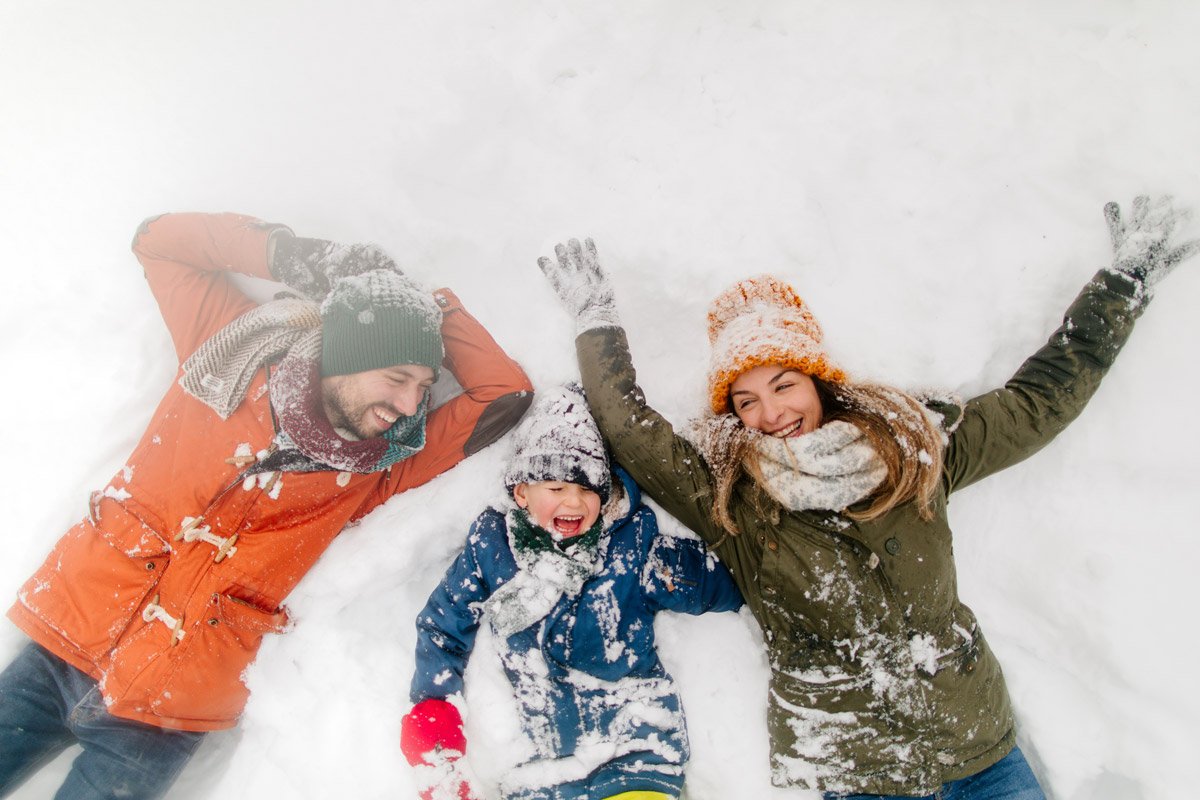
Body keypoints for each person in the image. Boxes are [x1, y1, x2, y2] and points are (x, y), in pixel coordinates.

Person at [536, 196, 1199, 799]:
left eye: (784, 384)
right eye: (746, 400)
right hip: (856, 771)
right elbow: (628, 428)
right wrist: (596, 320)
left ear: (818, 381)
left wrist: (1123, 285)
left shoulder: (911, 452)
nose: (771, 412)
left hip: (977, 751)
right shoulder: (731, 502)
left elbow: (1038, 402)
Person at [0, 212, 532, 800]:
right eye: (397, 376)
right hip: (59, 649)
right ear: (346, 354)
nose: (410, 404)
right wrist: (290, 255)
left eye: (423, 386)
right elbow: (158, 243)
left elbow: (502, 391)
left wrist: (425, 309)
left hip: (166, 716)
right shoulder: (226, 352)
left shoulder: (382, 465)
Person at [400, 384, 743, 800]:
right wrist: (433, 710)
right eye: (557, 488)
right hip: (542, 767)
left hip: (636, 747)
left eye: (588, 490)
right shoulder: (492, 546)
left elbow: (725, 582)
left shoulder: (630, 547)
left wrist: (729, 575)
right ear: (521, 492)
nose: (575, 502)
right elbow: (444, 623)